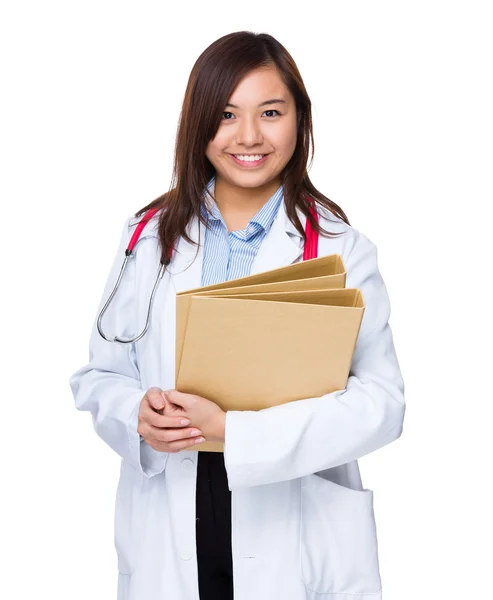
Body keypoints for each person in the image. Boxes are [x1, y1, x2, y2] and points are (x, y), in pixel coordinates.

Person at [69, 31, 406, 600]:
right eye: (226, 114)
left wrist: (237, 433)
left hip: (292, 533)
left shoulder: (341, 250)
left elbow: (382, 405)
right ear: (197, 123)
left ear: (299, 120)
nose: (248, 136)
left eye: (270, 112)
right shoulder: (147, 240)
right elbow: (99, 376)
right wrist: (138, 415)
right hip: (171, 523)